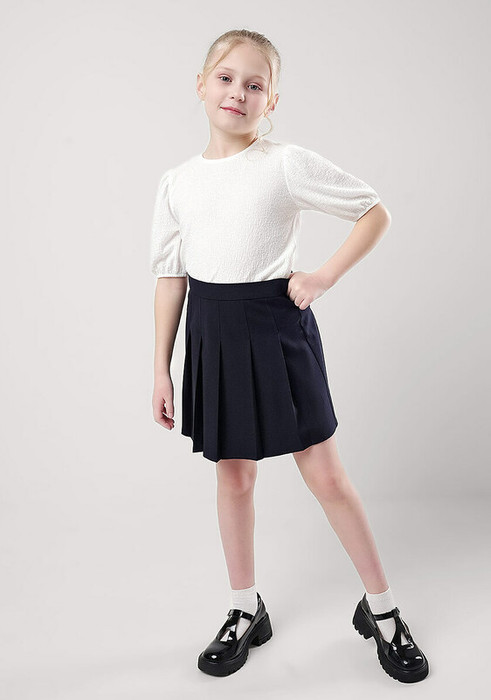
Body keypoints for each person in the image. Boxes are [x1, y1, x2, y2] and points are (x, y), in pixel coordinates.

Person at [150, 29, 429, 683]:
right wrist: (160, 367)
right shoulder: (177, 183)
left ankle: (382, 610)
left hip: (277, 329)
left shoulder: (284, 164)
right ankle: (244, 608)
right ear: (201, 85)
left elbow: (373, 212)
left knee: (325, 477)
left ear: (270, 99)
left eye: (254, 84)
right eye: (225, 78)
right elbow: (170, 278)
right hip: (213, 334)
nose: (237, 93)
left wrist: (322, 277)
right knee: (234, 477)